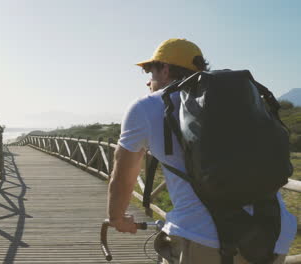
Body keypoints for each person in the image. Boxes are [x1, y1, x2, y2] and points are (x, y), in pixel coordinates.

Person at [107, 38, 297, 264]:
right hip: (274, 232)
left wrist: (117, 218)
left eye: (151, 72)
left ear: (165, 69)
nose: (149, 82)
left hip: (201, 237)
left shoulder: (146, 107)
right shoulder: (237, 103)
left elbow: (123, 175)